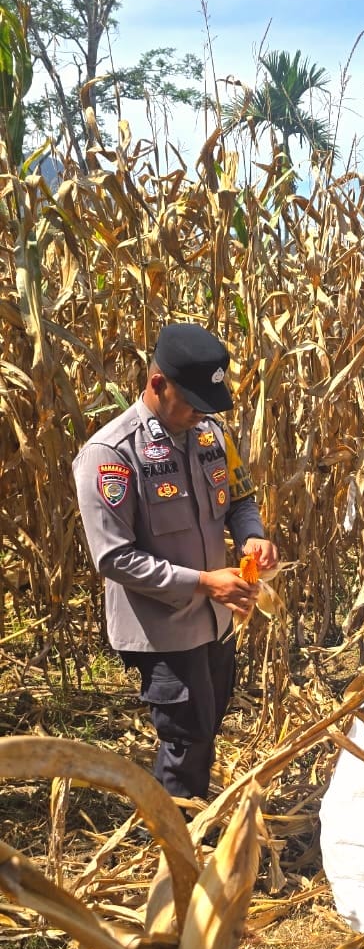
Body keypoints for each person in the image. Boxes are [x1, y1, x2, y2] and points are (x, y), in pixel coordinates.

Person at [73, 321, 278, 801]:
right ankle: (177, 850)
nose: (199, 414)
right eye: (191, 403)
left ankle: (190, 820)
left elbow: (241, 501)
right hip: (163, 626)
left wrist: (253, 538)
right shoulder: (111, 455)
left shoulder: (210, 436)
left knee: (206, 724)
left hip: (215, 618)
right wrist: (207, 581)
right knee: (185, 737)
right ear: (158, 384)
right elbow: (114, 557)